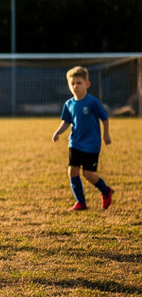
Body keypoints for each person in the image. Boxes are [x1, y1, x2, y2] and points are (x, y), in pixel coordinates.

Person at [52, 66, 114, 211]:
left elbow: (104, 117)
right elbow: (66, 121)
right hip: (75, 143)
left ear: (87, 84)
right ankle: (80, 202)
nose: (75, 86)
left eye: (79, 83)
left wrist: (106, 134)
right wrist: (57, 132)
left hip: (91, 144)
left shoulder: (92, 102)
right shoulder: (69, 104)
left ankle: (106, 191)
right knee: (72, 171)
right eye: (72, 83)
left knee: (88, 174)